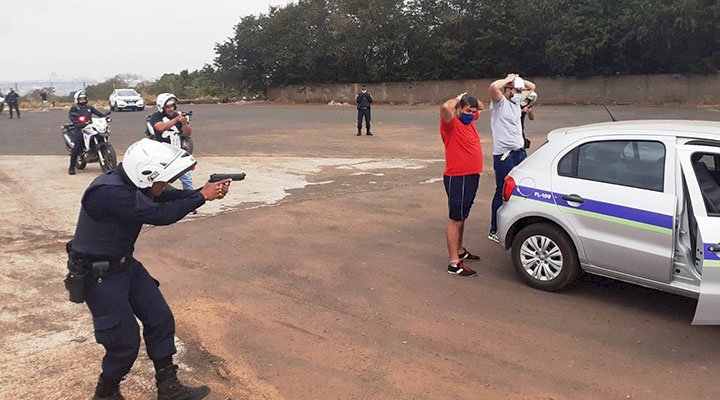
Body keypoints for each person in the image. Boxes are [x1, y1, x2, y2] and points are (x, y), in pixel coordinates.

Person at [65, 138, 231, 400]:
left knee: (160, 319)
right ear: (145, 174)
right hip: (98, 275)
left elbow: (169, 196)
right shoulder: (108, 192)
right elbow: (160, 214)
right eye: (162, 180)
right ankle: (105, 394)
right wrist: (201, 196)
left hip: (124, 265)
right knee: (124, 343)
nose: (164, 186)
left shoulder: (134, 183)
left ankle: (168, 387)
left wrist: (203, 192)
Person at [440, 92, 485, 276]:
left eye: (472, 111)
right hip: (458, 177)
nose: (471, 114)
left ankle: (460, 250)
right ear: (458, 108)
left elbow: (482, 105)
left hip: (472, 175)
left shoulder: (469, 119)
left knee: (462, 217)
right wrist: (458, 99)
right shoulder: (450, 123)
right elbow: (445, 107)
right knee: (455, 219)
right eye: (467, 111)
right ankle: (454, 262)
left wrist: (469, 98)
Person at [488, 74, 536, 243]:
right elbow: (494, 87)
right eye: (517, 90)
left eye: (521, 91)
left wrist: (520, 79)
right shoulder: (499, 104)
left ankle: (513, 223)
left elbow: (533, 87)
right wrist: (508, 79)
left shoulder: (517, 103)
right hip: (504, 156)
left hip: (519, 152)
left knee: (520, 190)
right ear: (508, 89)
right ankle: (494, 229)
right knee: (502, 191)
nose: (520, 93)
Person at [149, 93, 194, 190]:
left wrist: (184, 123)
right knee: (161, 179)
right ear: (162, 107)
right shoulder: (156, 116)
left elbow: (187, 133)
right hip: (163, 153)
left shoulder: (178, 116)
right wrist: (176, 119)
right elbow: (160, 127)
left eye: (172, 106)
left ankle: (190, 197)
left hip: (178, 151)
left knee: (186, 178)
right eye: (168, 107)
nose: (171, 109)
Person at [68, 90, 107, 175]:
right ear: (77, 100)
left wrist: (105, 116)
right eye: (81, 99)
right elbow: (72, 116)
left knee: (100, 136)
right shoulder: (74, 108)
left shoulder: (89, 107)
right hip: (80, 129)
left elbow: (98, 113)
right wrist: (76, 123)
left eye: (84, 99)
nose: (83, 101)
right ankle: (71, 167)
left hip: (89, 127)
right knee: (77, 147)